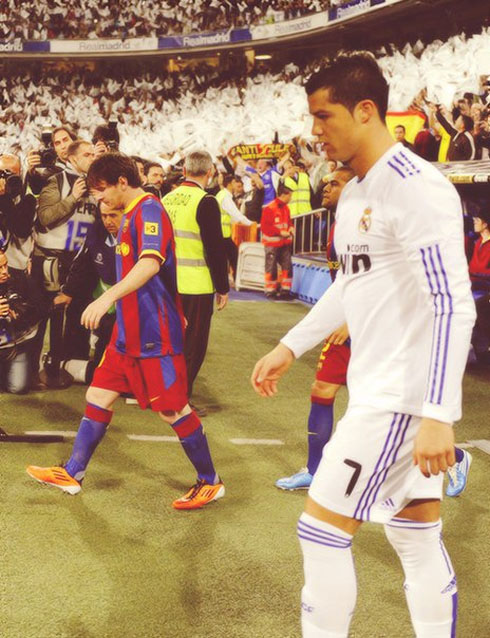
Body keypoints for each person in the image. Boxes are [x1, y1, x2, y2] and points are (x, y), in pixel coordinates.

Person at [252, 52, 476, 638]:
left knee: (320, 533)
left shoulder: (418, 189)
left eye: (324, 117)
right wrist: (290, 345)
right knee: (414, 534)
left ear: (367, 110)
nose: (315, 131)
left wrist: (437, 414)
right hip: (382, 391)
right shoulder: (352, 195)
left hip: (400, 400)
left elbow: (453, 305)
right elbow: (350, 285)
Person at [26, 153, 224, 510]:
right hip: (127, 333)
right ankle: (73, 472)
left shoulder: (149, 210)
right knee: (98, 396)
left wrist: (107, 299)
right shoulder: (129, 214)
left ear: (122, 182)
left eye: (102, 191)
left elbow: (150, 263)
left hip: (154, 333)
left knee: (173, 410)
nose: (98, 199)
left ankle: (211, 481)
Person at [276, 166, 354, 490]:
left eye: (335, 183)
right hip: (346, 322)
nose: (325, 186)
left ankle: (455, 457)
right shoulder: (338, 225)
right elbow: (344, 283)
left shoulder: (373, 225)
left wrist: (351, 321)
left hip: (375, 328)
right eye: (326, 182)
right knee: (321, 390)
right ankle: (314, 469)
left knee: (386, 410)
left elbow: (388, 282)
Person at [162, 151, 229, 409]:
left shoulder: (167, 199)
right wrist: (222, 287)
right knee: (192, 347)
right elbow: (215, 249)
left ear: (185, 170)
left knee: (170, 343)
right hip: (196, 285)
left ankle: (165, 393)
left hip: (167, 283)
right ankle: (179, 400)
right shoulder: (206, 201)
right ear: (209, 172)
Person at [53, 201, 123, 384]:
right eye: (104, 216)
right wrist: (68, 292)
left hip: (133, 305)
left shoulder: (138, 235)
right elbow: (82, 263)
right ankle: (67, 364)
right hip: (107, 306)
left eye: (113, 215)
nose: (108, 221)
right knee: (103, 373)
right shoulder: (96, 231)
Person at [0, 249, 47, 394]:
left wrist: (20, 313)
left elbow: (42, 308)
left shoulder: (20, 279)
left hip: (16, 346)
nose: (4, 271)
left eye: (5, 265)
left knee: (18, 387)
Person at [216, 173, 253, 282]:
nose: (236, 184)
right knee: (233, 256)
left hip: (221, 234)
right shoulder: (226, 197)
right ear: (230, 184)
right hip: (223, 234)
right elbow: (235, 214)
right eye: (234, 182)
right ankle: (235, 279)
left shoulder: (221, 195)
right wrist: (250, 224)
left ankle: (226, 279)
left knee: (226, 258)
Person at [260, 182, 294, 299]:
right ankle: (270, 291)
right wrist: (280, 232)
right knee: (271, 268)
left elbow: (289, 222)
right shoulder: (270, 208)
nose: (291, 198)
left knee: (287, 267)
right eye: (290, 196)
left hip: (284, 243)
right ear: (284, 195)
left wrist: (291, 228)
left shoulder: (286, 208)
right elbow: (265, 227)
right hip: (272, 244)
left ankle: (285, 291)